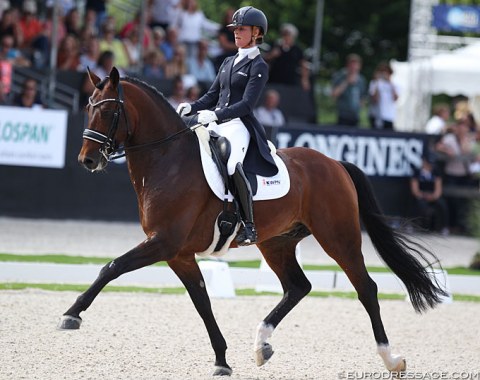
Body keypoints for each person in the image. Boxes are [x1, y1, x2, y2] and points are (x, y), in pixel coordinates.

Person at [176, 6, 277, 245]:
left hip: (238, 125)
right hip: (216, 121)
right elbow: (211, 95)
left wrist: (215, 115)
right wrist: (192, 106)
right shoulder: (227, 61)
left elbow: (247, 105)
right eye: (235, 29)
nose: (236, 32)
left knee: (232, 164)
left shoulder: (259, 66)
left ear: (256, 33)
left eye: (241, 29)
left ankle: (249, 226)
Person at [264, 23, 310, 91]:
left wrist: (305, 80)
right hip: (274, 80)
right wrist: (272, 54)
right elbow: (265, 58)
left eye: (288, 35)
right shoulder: (276, 45)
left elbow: (304, 65)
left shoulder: (297, 49)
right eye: (284, 34)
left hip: (290, 82)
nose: (285, 37)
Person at [409, 155, 449, 235]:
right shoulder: (417, 172)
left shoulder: (436, 171)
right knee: (420, 205)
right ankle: (414, 226)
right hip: (421, 195)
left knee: (442, 204)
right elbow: (415, 189)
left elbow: (438, 188)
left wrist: (434, 196)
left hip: (432, 196)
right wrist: (422, 195)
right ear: (424, 162)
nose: (429, 166)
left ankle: (444, 227)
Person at [331, 54, 367, 127]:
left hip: (355, 115)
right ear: (347, 66)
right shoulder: (340, 76)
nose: (353, 67)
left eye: (355, 65)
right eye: (351, 65)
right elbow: (334, 94)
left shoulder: (361, 80)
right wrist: (347, 81)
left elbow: (363, 97)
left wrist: (360, 105)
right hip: (343, 115)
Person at [368, 62, 399, 130]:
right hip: (377, 116)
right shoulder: (374, 83)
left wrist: (390, 82)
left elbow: (395, 98)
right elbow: (374, 99)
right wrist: (377, 82)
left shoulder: (395, 84)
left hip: (389, 116)